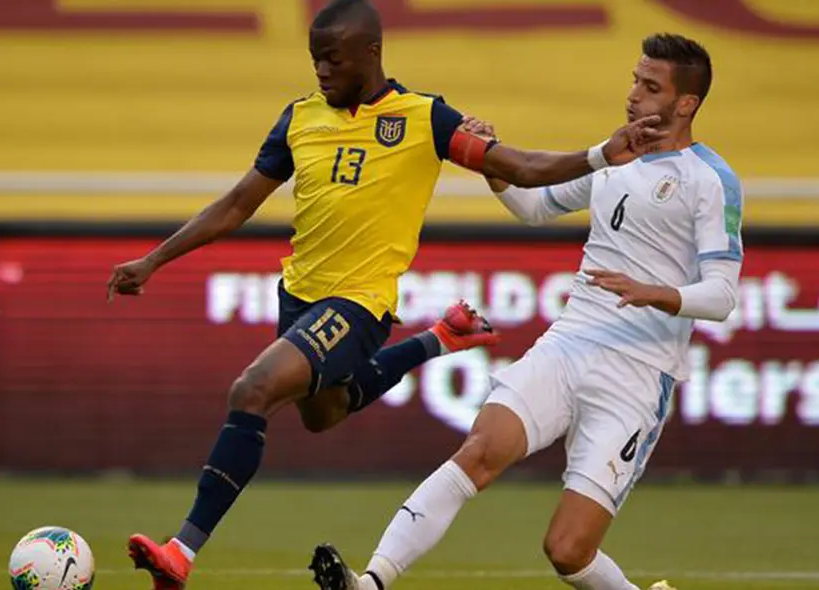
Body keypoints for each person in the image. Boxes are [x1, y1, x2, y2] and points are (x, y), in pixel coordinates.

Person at [106, 1, 665, 587]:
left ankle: (181, 552)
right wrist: (155, 259)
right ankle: (437, 339)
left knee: (252, 390)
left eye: (333, 59)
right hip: (298, 296)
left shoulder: (425, 118)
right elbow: (237, 203)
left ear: (370, 52)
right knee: (325, 413)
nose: (322, 70)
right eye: (315, 59)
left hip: (359, 304)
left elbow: (520, 166)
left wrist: (601, 154)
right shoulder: (298, 119)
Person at [309, 32, 741, 590]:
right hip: (570, 342)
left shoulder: (710, 179)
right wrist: (493, 163)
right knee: (479, 451)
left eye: (651, 87)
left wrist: (653, 292)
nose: (634, 95)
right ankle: (370, 582)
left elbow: (722, 295)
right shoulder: (614, 157)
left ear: (686, 103)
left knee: (568, 552)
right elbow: (535, 207)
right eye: (635, 80)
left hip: (638, 372)